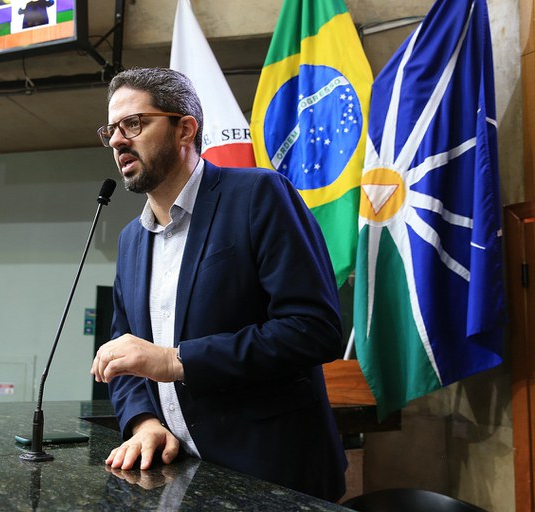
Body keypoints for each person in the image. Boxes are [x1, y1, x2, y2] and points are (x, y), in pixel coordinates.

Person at [90, 67, 348, 501]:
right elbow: (125, 354)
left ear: (184, 129)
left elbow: (313, 330)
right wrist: (143, 422)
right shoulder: (131, 239)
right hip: (183, 476)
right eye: (111, 130)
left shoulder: (259, 194)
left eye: (132, 123)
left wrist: (176, 360)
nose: (117, 140)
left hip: (273, 479)